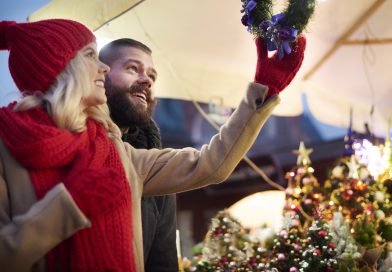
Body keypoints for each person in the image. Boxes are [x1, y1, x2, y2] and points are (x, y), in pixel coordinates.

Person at [0, 19, 305, 271]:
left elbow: (209, 164)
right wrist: (69, 206)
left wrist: (264, 90)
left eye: (152, 75)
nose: (102, 69)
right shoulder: (6, 150)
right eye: (91, 57)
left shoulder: (120, 154)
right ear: (61, 66)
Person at [99, 39, 178, 271]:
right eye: (132, 68)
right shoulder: (72, 142)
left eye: (152, 76)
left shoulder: (154, 163)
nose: (147, 81)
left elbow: (163, 258)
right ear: (100, 74)